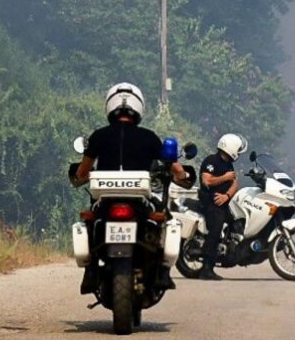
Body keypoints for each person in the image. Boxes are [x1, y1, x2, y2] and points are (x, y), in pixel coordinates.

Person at [71, 82, 191, 293]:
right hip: (139, 199)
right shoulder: (149, 137)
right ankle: (163, 271)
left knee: (91, 222)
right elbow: (174, 167)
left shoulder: (99, 136)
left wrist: (80, 176)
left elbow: (83, 171)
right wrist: (183, 176)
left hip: (105, 199)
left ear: (109, 106)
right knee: (165, 220)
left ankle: (90, 271)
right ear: (139, 107)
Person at [197, 132, 245, 280]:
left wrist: (227, 196)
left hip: (223, 202)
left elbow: (235, 183)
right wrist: (224, 178)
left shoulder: (228, 165)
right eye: (237, 149)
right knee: (216, 229)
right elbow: (207, 181)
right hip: (210, 202)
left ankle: (229, 254)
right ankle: (207, 267)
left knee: (236, 225)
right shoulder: (211, 161)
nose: (238, 153)